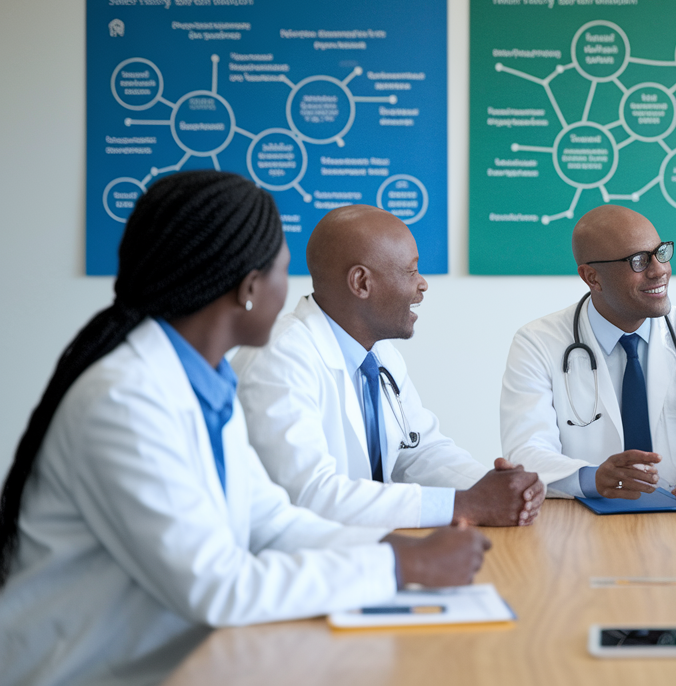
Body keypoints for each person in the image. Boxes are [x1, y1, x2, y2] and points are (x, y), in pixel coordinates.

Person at [0, 172, 489, 686]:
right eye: (283, 270)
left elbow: (272, 522)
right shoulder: (124, 401)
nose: (295, 287)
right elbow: (217, 586)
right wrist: (395, 568)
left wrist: (397, 550)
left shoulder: (204, 381)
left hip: (183, 657)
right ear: (250, 289)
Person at [234, 205, 545, 529]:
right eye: (411, 271)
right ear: (361, 282)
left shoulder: (379, 354)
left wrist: (499, 486)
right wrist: (463, 504)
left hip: (364, 550)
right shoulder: (279, 360)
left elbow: (419, 450)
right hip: (298, 563)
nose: (422, 284)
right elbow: (310, 495)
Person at [500, 205, 676, 505]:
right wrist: (592, 478)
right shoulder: (537, 343)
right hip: (582, 527)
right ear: (592, 277)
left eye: (661, 252)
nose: (659, 270)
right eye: (639, 261)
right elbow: (525, 453)